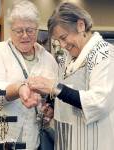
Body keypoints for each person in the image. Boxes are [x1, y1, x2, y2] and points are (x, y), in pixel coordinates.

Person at [28, 2, 114, 150]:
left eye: (64, 37)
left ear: (81, 25)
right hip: (67, 140)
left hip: (93, 142)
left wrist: (54, 88)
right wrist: (54, 107)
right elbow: (69, 93)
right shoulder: (66, 60)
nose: (62, 45)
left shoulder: (104, 55)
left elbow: (98, 102)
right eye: (57, 41)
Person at [0, 1, 58, 150]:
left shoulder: (49, 59)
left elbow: (52, 93)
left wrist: (50, 108)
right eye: (19, 30)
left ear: (37, 29)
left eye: (30, 30)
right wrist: (19, 88)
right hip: (0, 138)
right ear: (11, 30)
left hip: (32, 139)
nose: (25, 35)